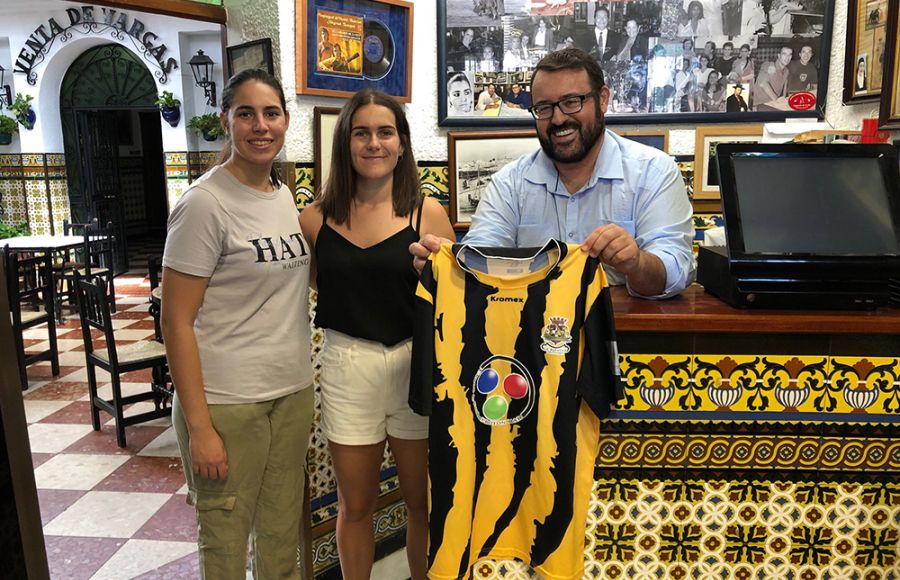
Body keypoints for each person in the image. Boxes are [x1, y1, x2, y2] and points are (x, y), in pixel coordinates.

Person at [161, 69, 314, 579]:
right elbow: (176, 322)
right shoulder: (204, 204)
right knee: (226, 540)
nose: (260, 125)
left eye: (271, 113)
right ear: (226, 121)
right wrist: (200, 428)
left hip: (290, 394)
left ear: (286, 121)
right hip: (228, 405)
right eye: (245, 113)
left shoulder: (283, 196)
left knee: (279, 536)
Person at [299, 89, 454, 580]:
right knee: (356, 504)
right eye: (361, 132)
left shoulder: (426, 213)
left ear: (403, 144)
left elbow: (455, 301)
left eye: (385, 132)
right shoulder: (312, 219)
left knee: (421, 501)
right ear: (345, 143)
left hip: (416, 364)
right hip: (348, 365)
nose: (373, 143)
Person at [412, 48, 694, 299]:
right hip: (529, 345)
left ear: (603, 99)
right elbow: (481, 258)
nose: (558, 119)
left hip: (626, 345)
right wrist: (445, 264)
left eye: (572, 102)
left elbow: (676, 272)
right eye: (544, 108)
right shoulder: (509, 184)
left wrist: (636, 262)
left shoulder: (653, 172)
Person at [753, 46, 792, 110]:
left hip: (773, 103)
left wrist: (784, 99)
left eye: (790, 55)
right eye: (784, 54)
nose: (787, 57)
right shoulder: (768, 65)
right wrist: (777, 101)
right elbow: (763, 84)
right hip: (761, 103)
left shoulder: (786, 71)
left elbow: (785, 84)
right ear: (779, 56)